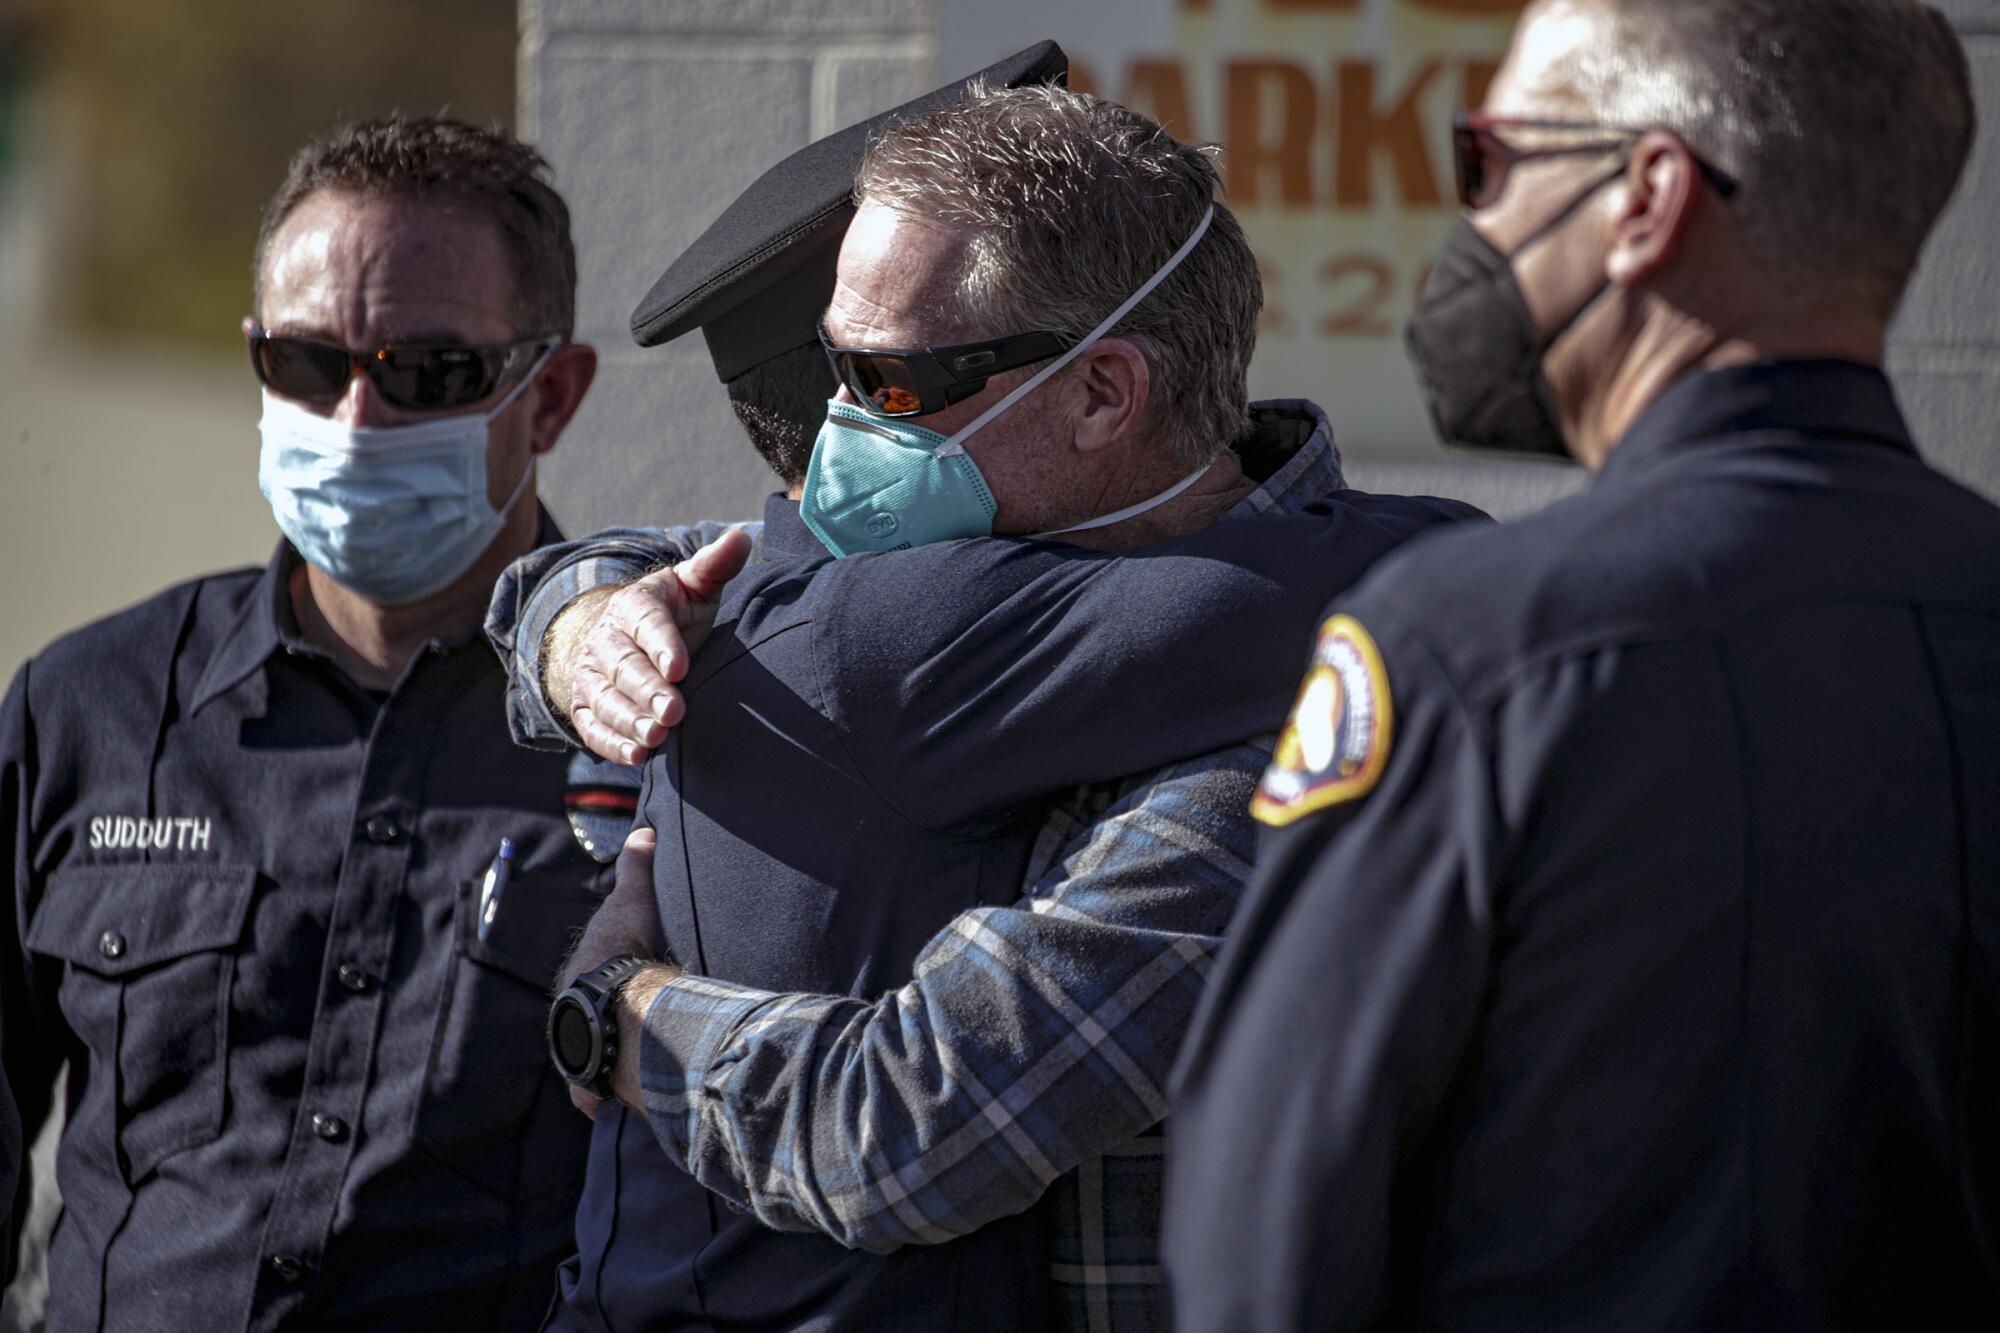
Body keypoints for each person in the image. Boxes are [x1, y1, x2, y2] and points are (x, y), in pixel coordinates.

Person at [499, 81, 1485, 1332]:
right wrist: (585, 625)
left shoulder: (1307, 746)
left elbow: (901, 1130)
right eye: (829, 369)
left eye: (886, 381)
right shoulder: (980, 556)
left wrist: (617, 1009)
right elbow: (661, 564)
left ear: (1099, 395)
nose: (833, 433)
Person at [1164, 2, 1996, 1328]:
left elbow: (1266, 1225)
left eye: (1488, 164)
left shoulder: (1474, 647)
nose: (1471, 229)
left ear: (1647, 197)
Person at [0, 116, 610, 1330]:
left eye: (428, 372)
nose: (358, 421)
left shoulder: (661, 739)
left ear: (548, 397)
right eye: (309, 365)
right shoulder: (89, 707)